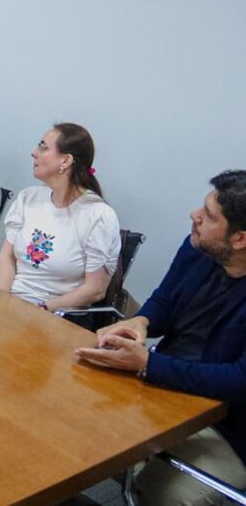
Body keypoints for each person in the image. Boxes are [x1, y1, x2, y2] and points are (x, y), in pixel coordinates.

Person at [75, 170, 246, 506]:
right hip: (162, 390)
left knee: (168, 494)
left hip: (229, 427)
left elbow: (240, 381)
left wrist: (150, 363)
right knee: (70, 428)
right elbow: (165, 300)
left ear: (240, 239)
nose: (194, 216)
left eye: (209, 216)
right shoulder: (198, 249)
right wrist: (141, 321)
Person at [0, 123, 120, 311]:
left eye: (43, 147)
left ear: (66, 161)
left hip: (56, 313)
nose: (34, 153)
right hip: (11, 301)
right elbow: (7, 256)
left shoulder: (98, 216)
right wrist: (3, 300)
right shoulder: (28, 197)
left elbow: (95, 290)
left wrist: (44, 308)